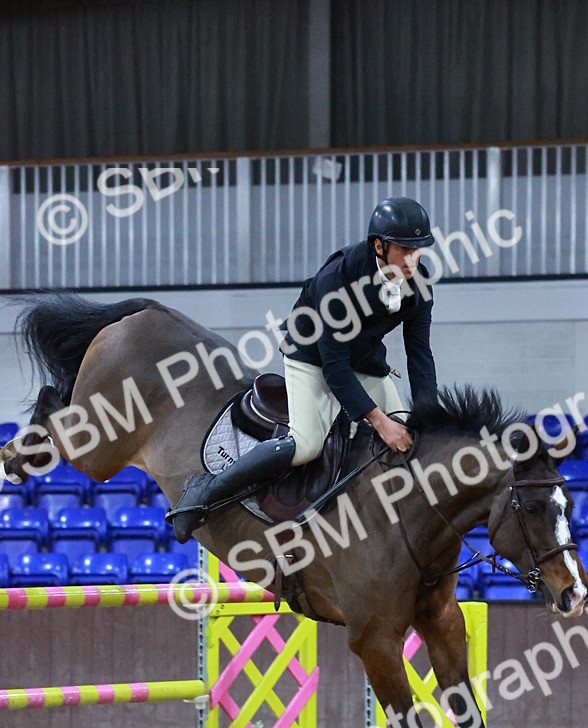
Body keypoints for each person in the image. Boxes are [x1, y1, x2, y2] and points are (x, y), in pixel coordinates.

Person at [168, 196, 439, 542]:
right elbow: (334, 366)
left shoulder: (419, 282)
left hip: (365, 357)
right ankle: (206, 491)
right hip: (311, 355)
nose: (415, 259)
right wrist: (378, 421)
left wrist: (429, 417)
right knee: (307, 444)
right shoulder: (337, 280)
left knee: (408, 433)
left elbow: (420, 354)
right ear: (379, 246)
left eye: (420, 250)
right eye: (406, 249)